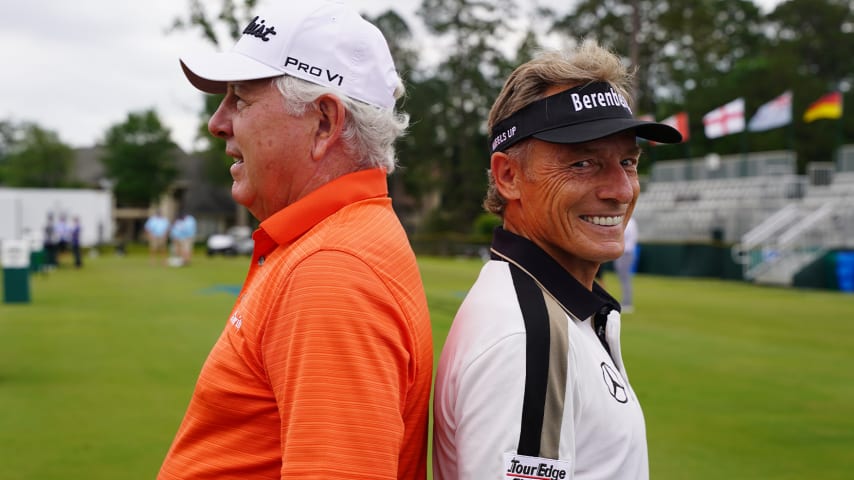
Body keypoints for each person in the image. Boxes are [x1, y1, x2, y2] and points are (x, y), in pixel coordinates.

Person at [158, 2, 433, 479]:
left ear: (324, 123)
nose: (217, 122)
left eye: (240, 100)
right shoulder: (331, 243)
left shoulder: (333, 271)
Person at [432, 42, 682, 480]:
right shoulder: (528, 338)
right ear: (509, 175)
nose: (621, 190)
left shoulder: (548, 311)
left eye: (628, 161)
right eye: (584, 163)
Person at [614, 216, 639, 313]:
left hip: (626, 252)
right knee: (623, 278)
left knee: (625, 279)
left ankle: (627, 303)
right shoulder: (631, 222)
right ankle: (626, 302)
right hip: (626, 252)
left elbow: (624, 237)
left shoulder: (629, 222)